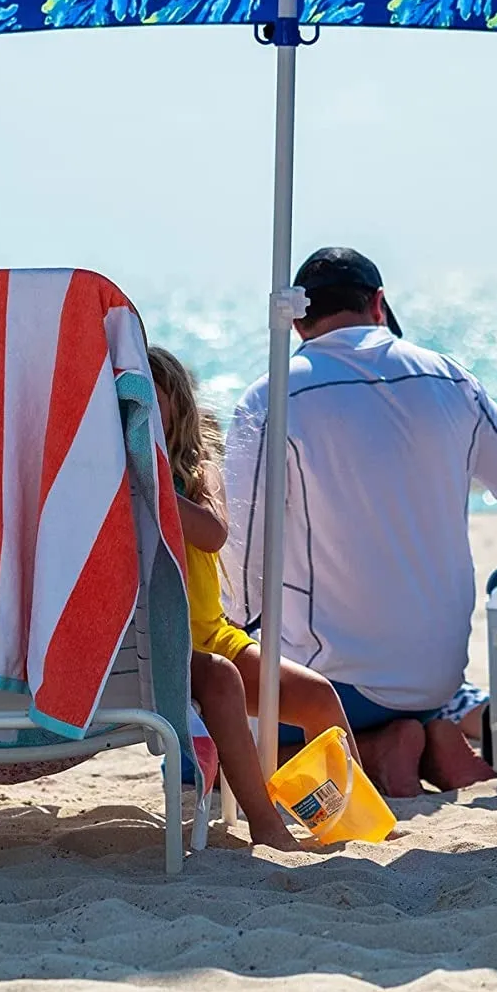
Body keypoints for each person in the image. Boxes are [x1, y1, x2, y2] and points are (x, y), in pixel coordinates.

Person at [222, 248, 497, 798]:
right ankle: (431, 734)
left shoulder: (273, 394)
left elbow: (242, 574)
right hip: (436, 676)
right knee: (436, 683)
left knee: (202, 735)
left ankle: (375, 749)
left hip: (334, 684)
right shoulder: (453, 381)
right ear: (379, 303)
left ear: (298, 320)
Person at [147, 347, 358, 846]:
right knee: (220, 684)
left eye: (151, 402)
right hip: (158, 647)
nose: (140, 415)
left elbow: (213, 533)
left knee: (317, 697)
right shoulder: (98, 479)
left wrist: (152, 485)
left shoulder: (197, 474)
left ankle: (338, 816)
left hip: (214, 635)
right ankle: (266, 826)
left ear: (177, 404)